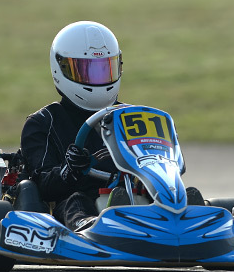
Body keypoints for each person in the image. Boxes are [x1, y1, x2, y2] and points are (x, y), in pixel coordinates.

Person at [20, 21, 203, 231]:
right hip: (81, 205)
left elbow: (172, 165)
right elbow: (42, 186)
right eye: (86, 71)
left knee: (178, 194)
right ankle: (93, 227)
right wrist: (68, 171)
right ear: (60, 68)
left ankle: (188, 218)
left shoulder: (134, 116)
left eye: (104, 70)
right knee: (75, 202)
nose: (97, 80)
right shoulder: (43, 122)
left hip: (138, 196)